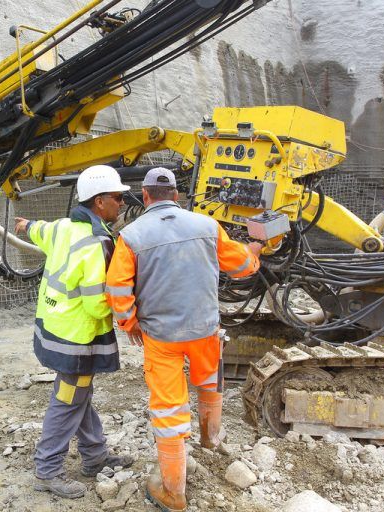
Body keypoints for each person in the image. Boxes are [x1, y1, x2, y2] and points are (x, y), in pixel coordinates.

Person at [105, 167, 262, 512]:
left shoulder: (130, 236)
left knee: (170, 408)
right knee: (208, 380)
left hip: (161, 336)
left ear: (145, 197)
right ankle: (210, 438)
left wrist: (129, 322)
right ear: (177, 195)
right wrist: (255, 250)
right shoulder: (207, 225)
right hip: (204, 328)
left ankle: (173, 492)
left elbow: (116, 288)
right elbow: (243, 268)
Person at [14, 164, 135, 499]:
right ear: (98, 203)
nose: (121, 203)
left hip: (53, 329)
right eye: (116, 197)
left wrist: (25, 225)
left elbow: (38, 230)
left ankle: (94, 456)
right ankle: (47, 471)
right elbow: (97, 305)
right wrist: (130, 308)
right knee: (68, 400)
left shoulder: (63, 227)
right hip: (77, 340)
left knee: (79, 395)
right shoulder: (96, 244)